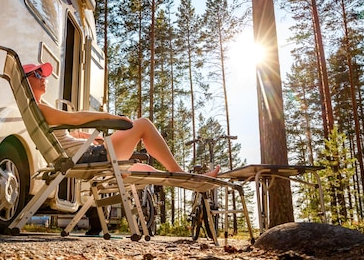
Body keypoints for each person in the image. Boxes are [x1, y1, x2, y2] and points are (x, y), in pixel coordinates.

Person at [23, 62, 220, 235]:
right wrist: (110, 118)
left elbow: (68, 133)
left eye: (44, 74)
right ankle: (180, 172)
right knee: (143, 124)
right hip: (89, 158)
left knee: (147, 171)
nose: (43, 78)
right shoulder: (39, 109)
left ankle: (192, 183)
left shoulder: (42, 107)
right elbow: (74, 119)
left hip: (89, 154)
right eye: (37, 74)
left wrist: (90, 137)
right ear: (25, 82)